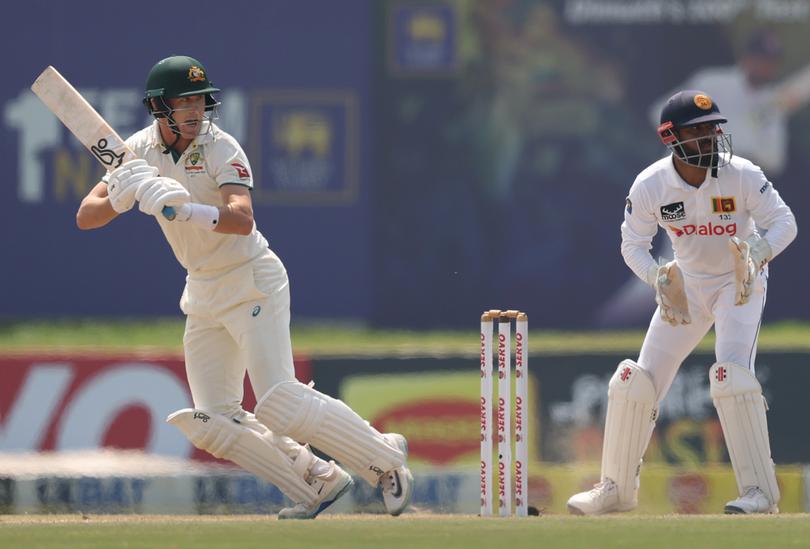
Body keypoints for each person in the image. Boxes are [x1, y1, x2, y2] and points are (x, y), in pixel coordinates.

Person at [76, 55, 413, 519]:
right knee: (215, 421)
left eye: (200, 99)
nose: (195, 110)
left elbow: (241, 218)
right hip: (203, 291)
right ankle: (316, 482)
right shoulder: (138, 151)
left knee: (279, 402)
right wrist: (119, 195)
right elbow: (85, 216)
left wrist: (184, 208)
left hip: (252, 280)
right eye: (184, 100)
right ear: (160, 107)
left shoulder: (221, 147)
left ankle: (385, 458)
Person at [567, 90, 797, 515]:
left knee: (731, 376)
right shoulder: (651, 184)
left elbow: (785, 222)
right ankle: (616, 489)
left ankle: (758, 494)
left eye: (713, 129)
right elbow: (632, 245)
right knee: (634, 382)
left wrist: (757, 255)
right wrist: (658, 278)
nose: (711, 139)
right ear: (671, 137)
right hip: (686, 286)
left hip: (738, 282)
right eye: (699, 132)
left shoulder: (742, 174)